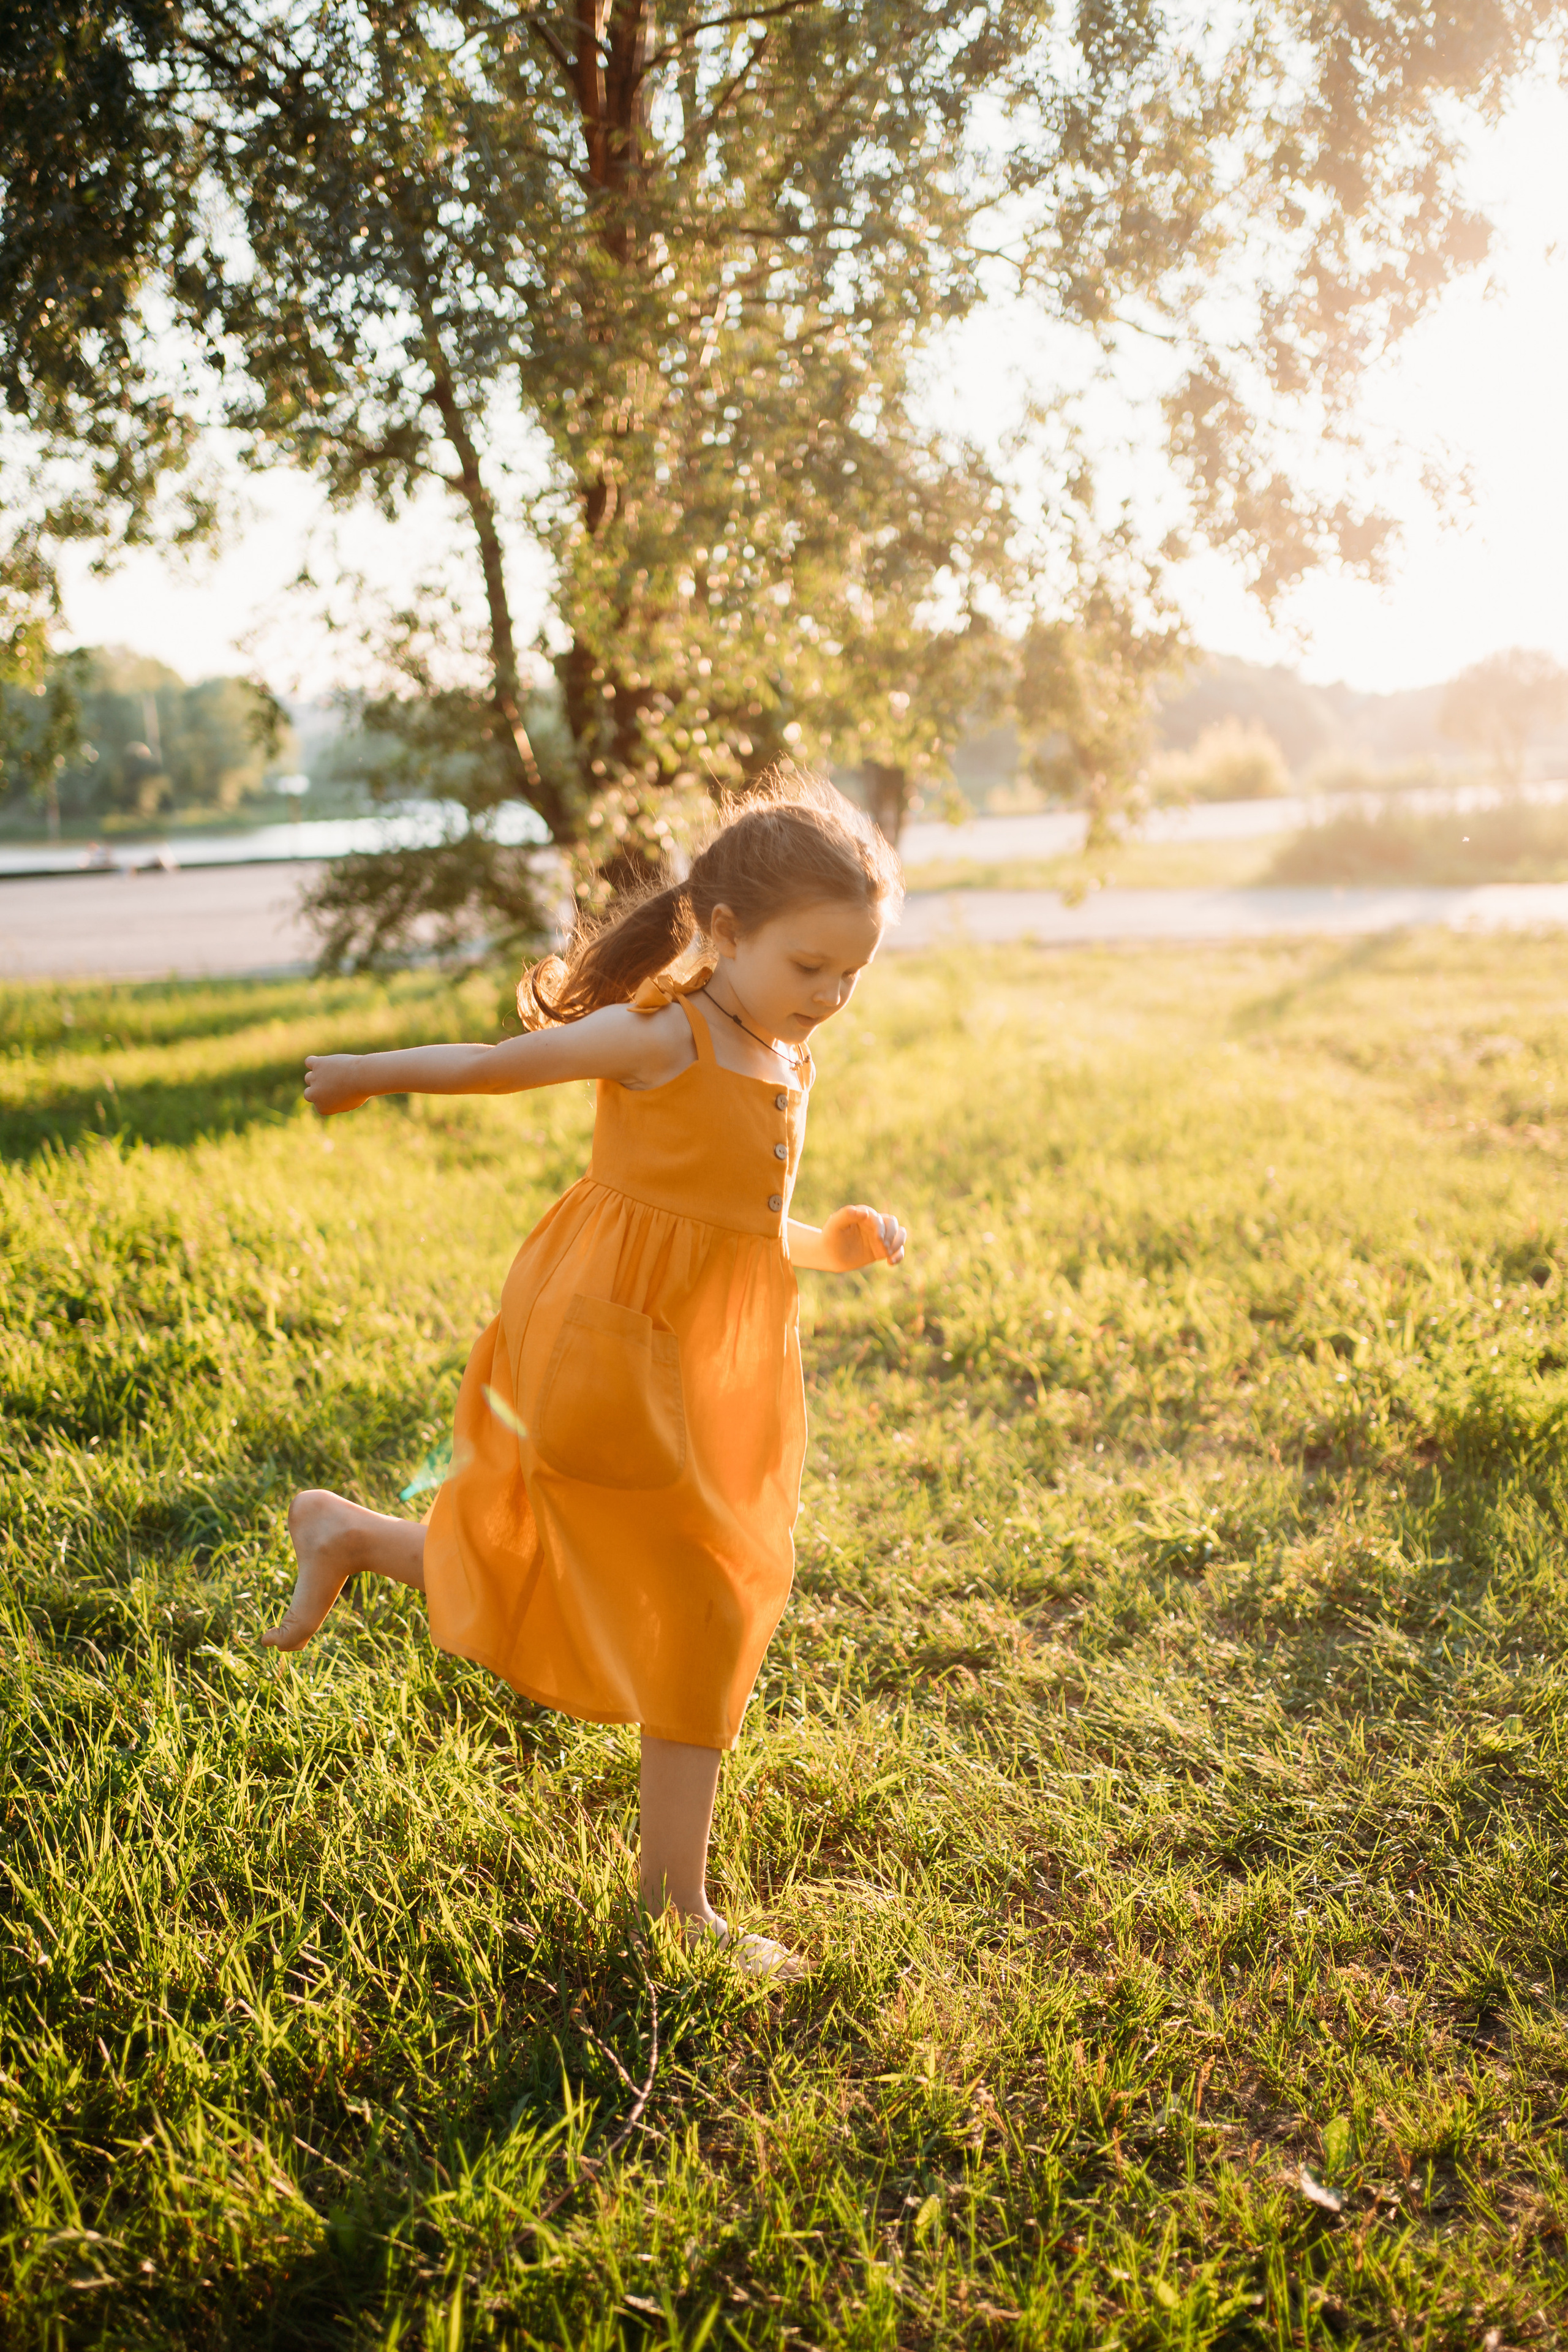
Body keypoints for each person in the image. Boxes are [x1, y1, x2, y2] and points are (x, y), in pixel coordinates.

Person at [261, 778, 908, 1977]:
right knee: (690, 1593)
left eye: (850, 975)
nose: (829, 996)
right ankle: (675, 1903)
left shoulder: (781, 1053)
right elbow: (501, 1064)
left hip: (716, 1365)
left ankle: (348, 1534)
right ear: (724, 931)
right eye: (810, 966)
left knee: (674, 1584)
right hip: (610, 1338)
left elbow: (744, 1223)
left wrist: (835, 1244)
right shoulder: (665, 1037)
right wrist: (364, 1068)